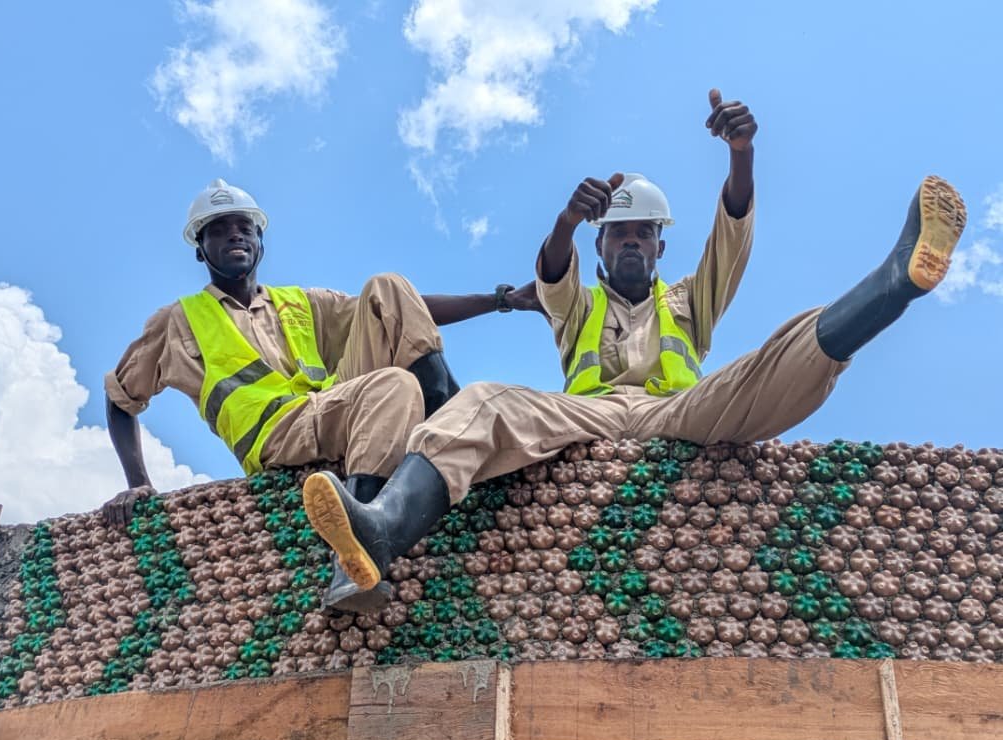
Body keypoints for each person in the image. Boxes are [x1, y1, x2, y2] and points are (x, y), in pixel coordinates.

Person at [301, 89, 967, 597]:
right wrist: (567, 218)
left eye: (643, 234)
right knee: (481, 401)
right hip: (583, 414)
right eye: (618, 233)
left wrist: (741, 154)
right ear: (599, 247)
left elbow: (731, 242)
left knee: (781, 352)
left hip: (679, 411)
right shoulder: (578, 304)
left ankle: (895, 280)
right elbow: (551, 272)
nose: (630, 242)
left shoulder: (688, 300)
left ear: (658, 247)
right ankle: (381, 528)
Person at [101, 179, 542, 611]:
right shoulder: (179, 320)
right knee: (393, 385)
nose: (234, 235)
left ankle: (449, 420)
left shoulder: (299, 303)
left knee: (388, 287)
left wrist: (499, 300)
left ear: (259, 241)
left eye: (244, 227)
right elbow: (120, 397)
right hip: (274, 432)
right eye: (218, 229)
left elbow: (405, 310)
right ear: (200, 249)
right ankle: (352, 560)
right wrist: (138, 482)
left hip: (328, 408)